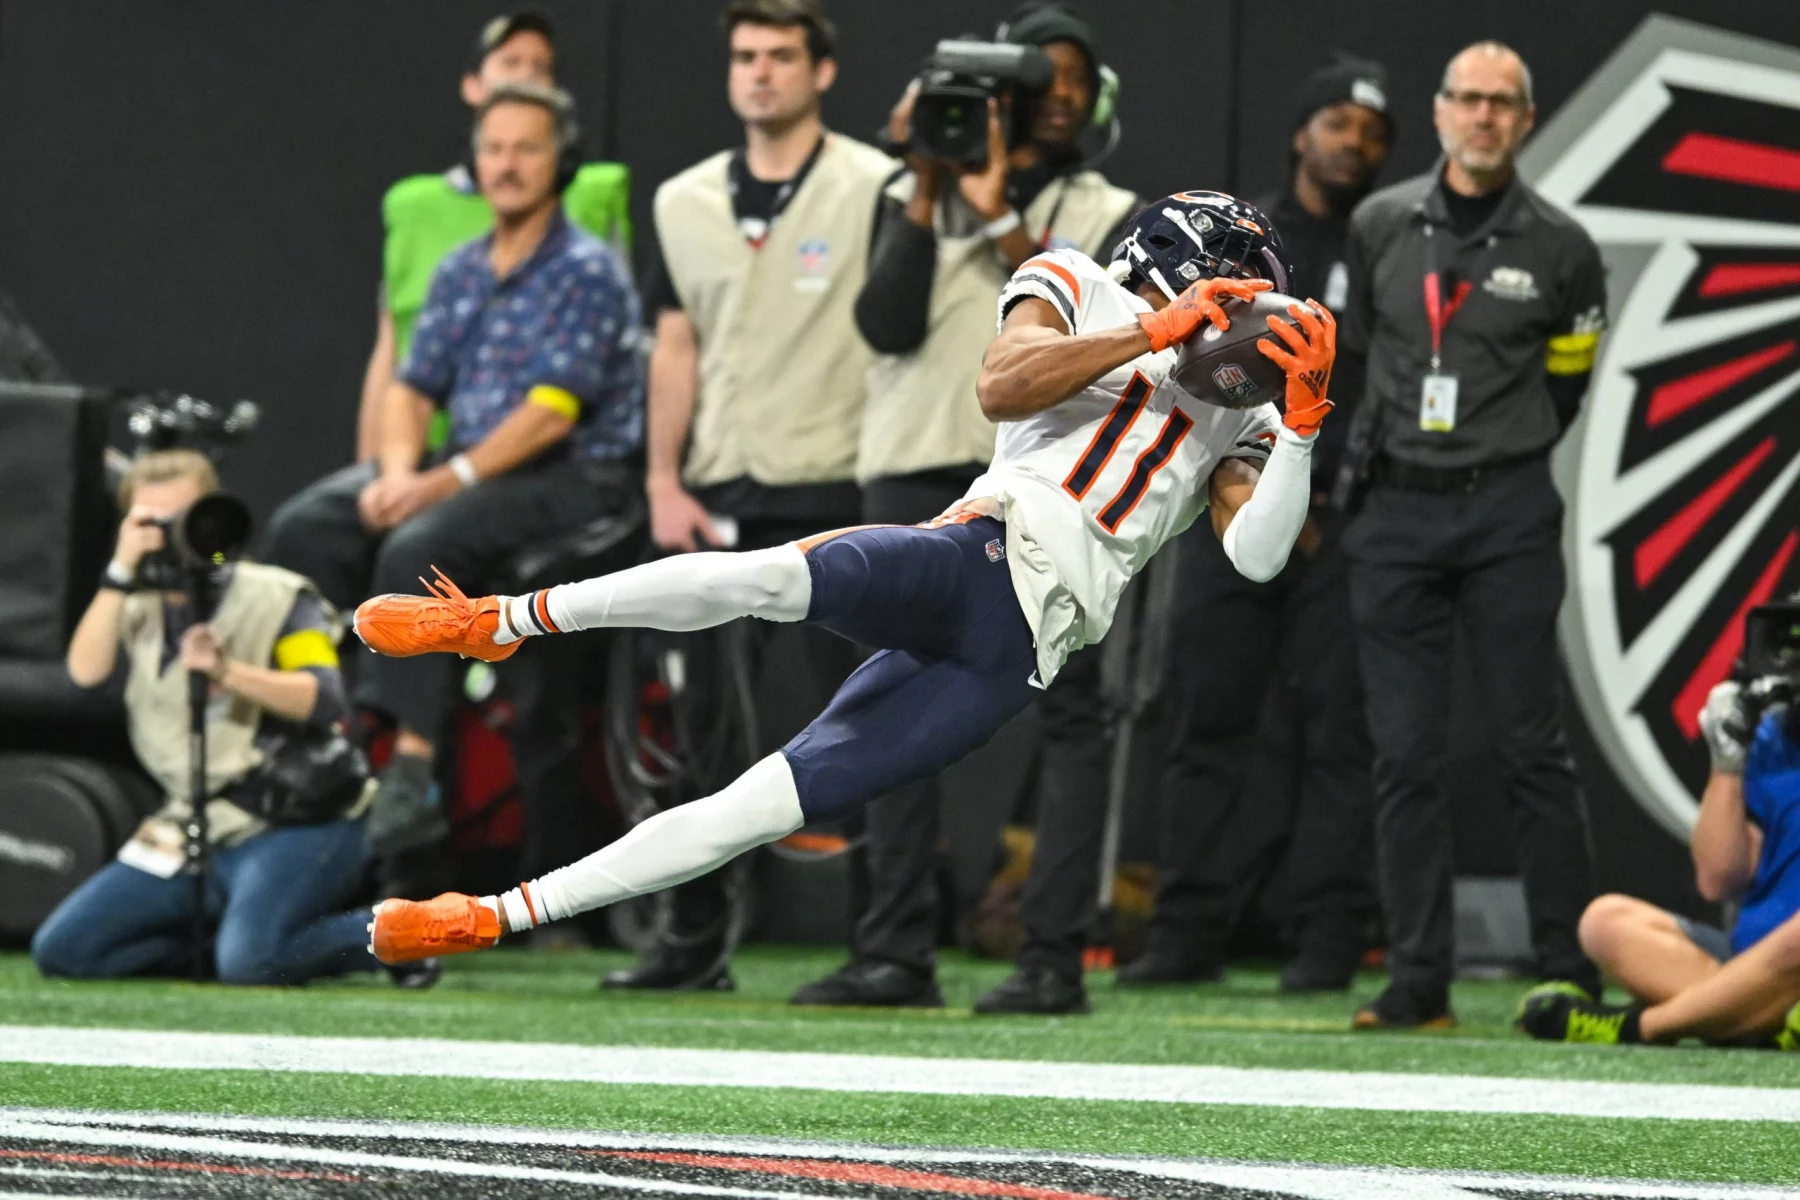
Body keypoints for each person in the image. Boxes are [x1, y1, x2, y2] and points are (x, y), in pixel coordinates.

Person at [351, 191, 1339, 982]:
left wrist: (1298, 430)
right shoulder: (1079, 281)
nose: (1250, 315)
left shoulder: (1239, 419)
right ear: (1182, 260)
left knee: (759, 808)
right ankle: (502, 619)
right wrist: (1155, 332)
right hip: (977, 556)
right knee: (769, 577)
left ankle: (488, 916)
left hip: (1021, 650)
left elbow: (1257, 556)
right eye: (1241, 289)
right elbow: (1002, 383)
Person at [793, 1, 1141, 1015]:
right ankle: (894, 950)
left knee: (1071, 716)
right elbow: (885, 323)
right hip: (913, 464)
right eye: (1041, 76)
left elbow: (1100, 331)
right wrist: (929, 185)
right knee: (887, 701)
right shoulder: (909, 186)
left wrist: (995, 218)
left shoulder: (1110, 207)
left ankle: (1052, 957)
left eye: (1077, 77)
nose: (1060, 94)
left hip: (1052, 483)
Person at [261, 84, 643, 884]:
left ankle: (412, 767)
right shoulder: (460, 268)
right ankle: (323, 725)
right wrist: (400, 471)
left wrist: (434, 486)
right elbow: (411, 388)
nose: (506, 165)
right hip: (462, 467)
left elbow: (550, 414)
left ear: (562, 161)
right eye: (493, 148)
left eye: (526, 148)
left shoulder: (586, 271)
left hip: (574, 479)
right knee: (307, 527)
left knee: (418, 543)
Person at [609, 0, 894, 991]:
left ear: (822, 70)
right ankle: (691, 944)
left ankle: (885, 945)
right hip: (719, 493)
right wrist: (662, 478)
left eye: (779, 55)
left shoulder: (876, 186)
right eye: (744, 56)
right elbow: (674, 343)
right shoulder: (683, 199)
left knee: (876, 718)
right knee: (703, 733)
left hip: (839, 485)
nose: (759, 73)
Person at [1336, 42, 1608, 1028]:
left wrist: (1496, 451)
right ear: (1440, 110)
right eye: (1468, 99)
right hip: (1396, 510)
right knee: (1404, 756)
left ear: (1525, 120)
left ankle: (1568, 970)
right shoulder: (1379, 224)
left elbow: (1569, 382)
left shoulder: (1564, 248)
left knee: (1531, 747)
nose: (1484, 116)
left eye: (1502, 103)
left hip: (1507, 511)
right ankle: (1418, 983)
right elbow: (1357, 354)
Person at [1123, 55, 1392, 993]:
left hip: (1342, 524)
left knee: (1339, 736)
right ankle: (1184, 931)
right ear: (1299, 133)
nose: (1353, 143)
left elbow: (1388, 381)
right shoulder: (1245, 240)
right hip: (1224, 497)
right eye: (1337, 122)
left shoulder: (1385, 241)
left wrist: (1325, 496)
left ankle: (1327, 938)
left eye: (1372, 133)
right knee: (1204, 722)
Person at [31, 451, 401, 986]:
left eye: (184, 519)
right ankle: (234, 939)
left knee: (250, 962)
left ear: (213, 518)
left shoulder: (278, 595)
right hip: (190, 825)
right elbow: (85, 674)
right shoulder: (133, 604)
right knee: (65, 950)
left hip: (291, 818)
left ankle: (395, 934)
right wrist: (119, 571)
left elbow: (325, 698)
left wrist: (229, 672)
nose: (169, 536)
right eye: (151, 522)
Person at [356, 6, 631, 465]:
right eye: (510, 62)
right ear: (472, 86)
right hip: (430, 444)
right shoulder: (425, 222)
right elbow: (393, 353)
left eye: (541, 67)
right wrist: (377, 467)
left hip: (542, 461)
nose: (525, 76)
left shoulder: (590, 219)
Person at [1516, 680, 1800, 1050]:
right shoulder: (1771, 736)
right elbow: (1717, 879)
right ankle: (1758, 1016)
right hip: (1751, 957)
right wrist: (1727, 762)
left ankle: (1640, 1026)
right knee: (1605, 923)